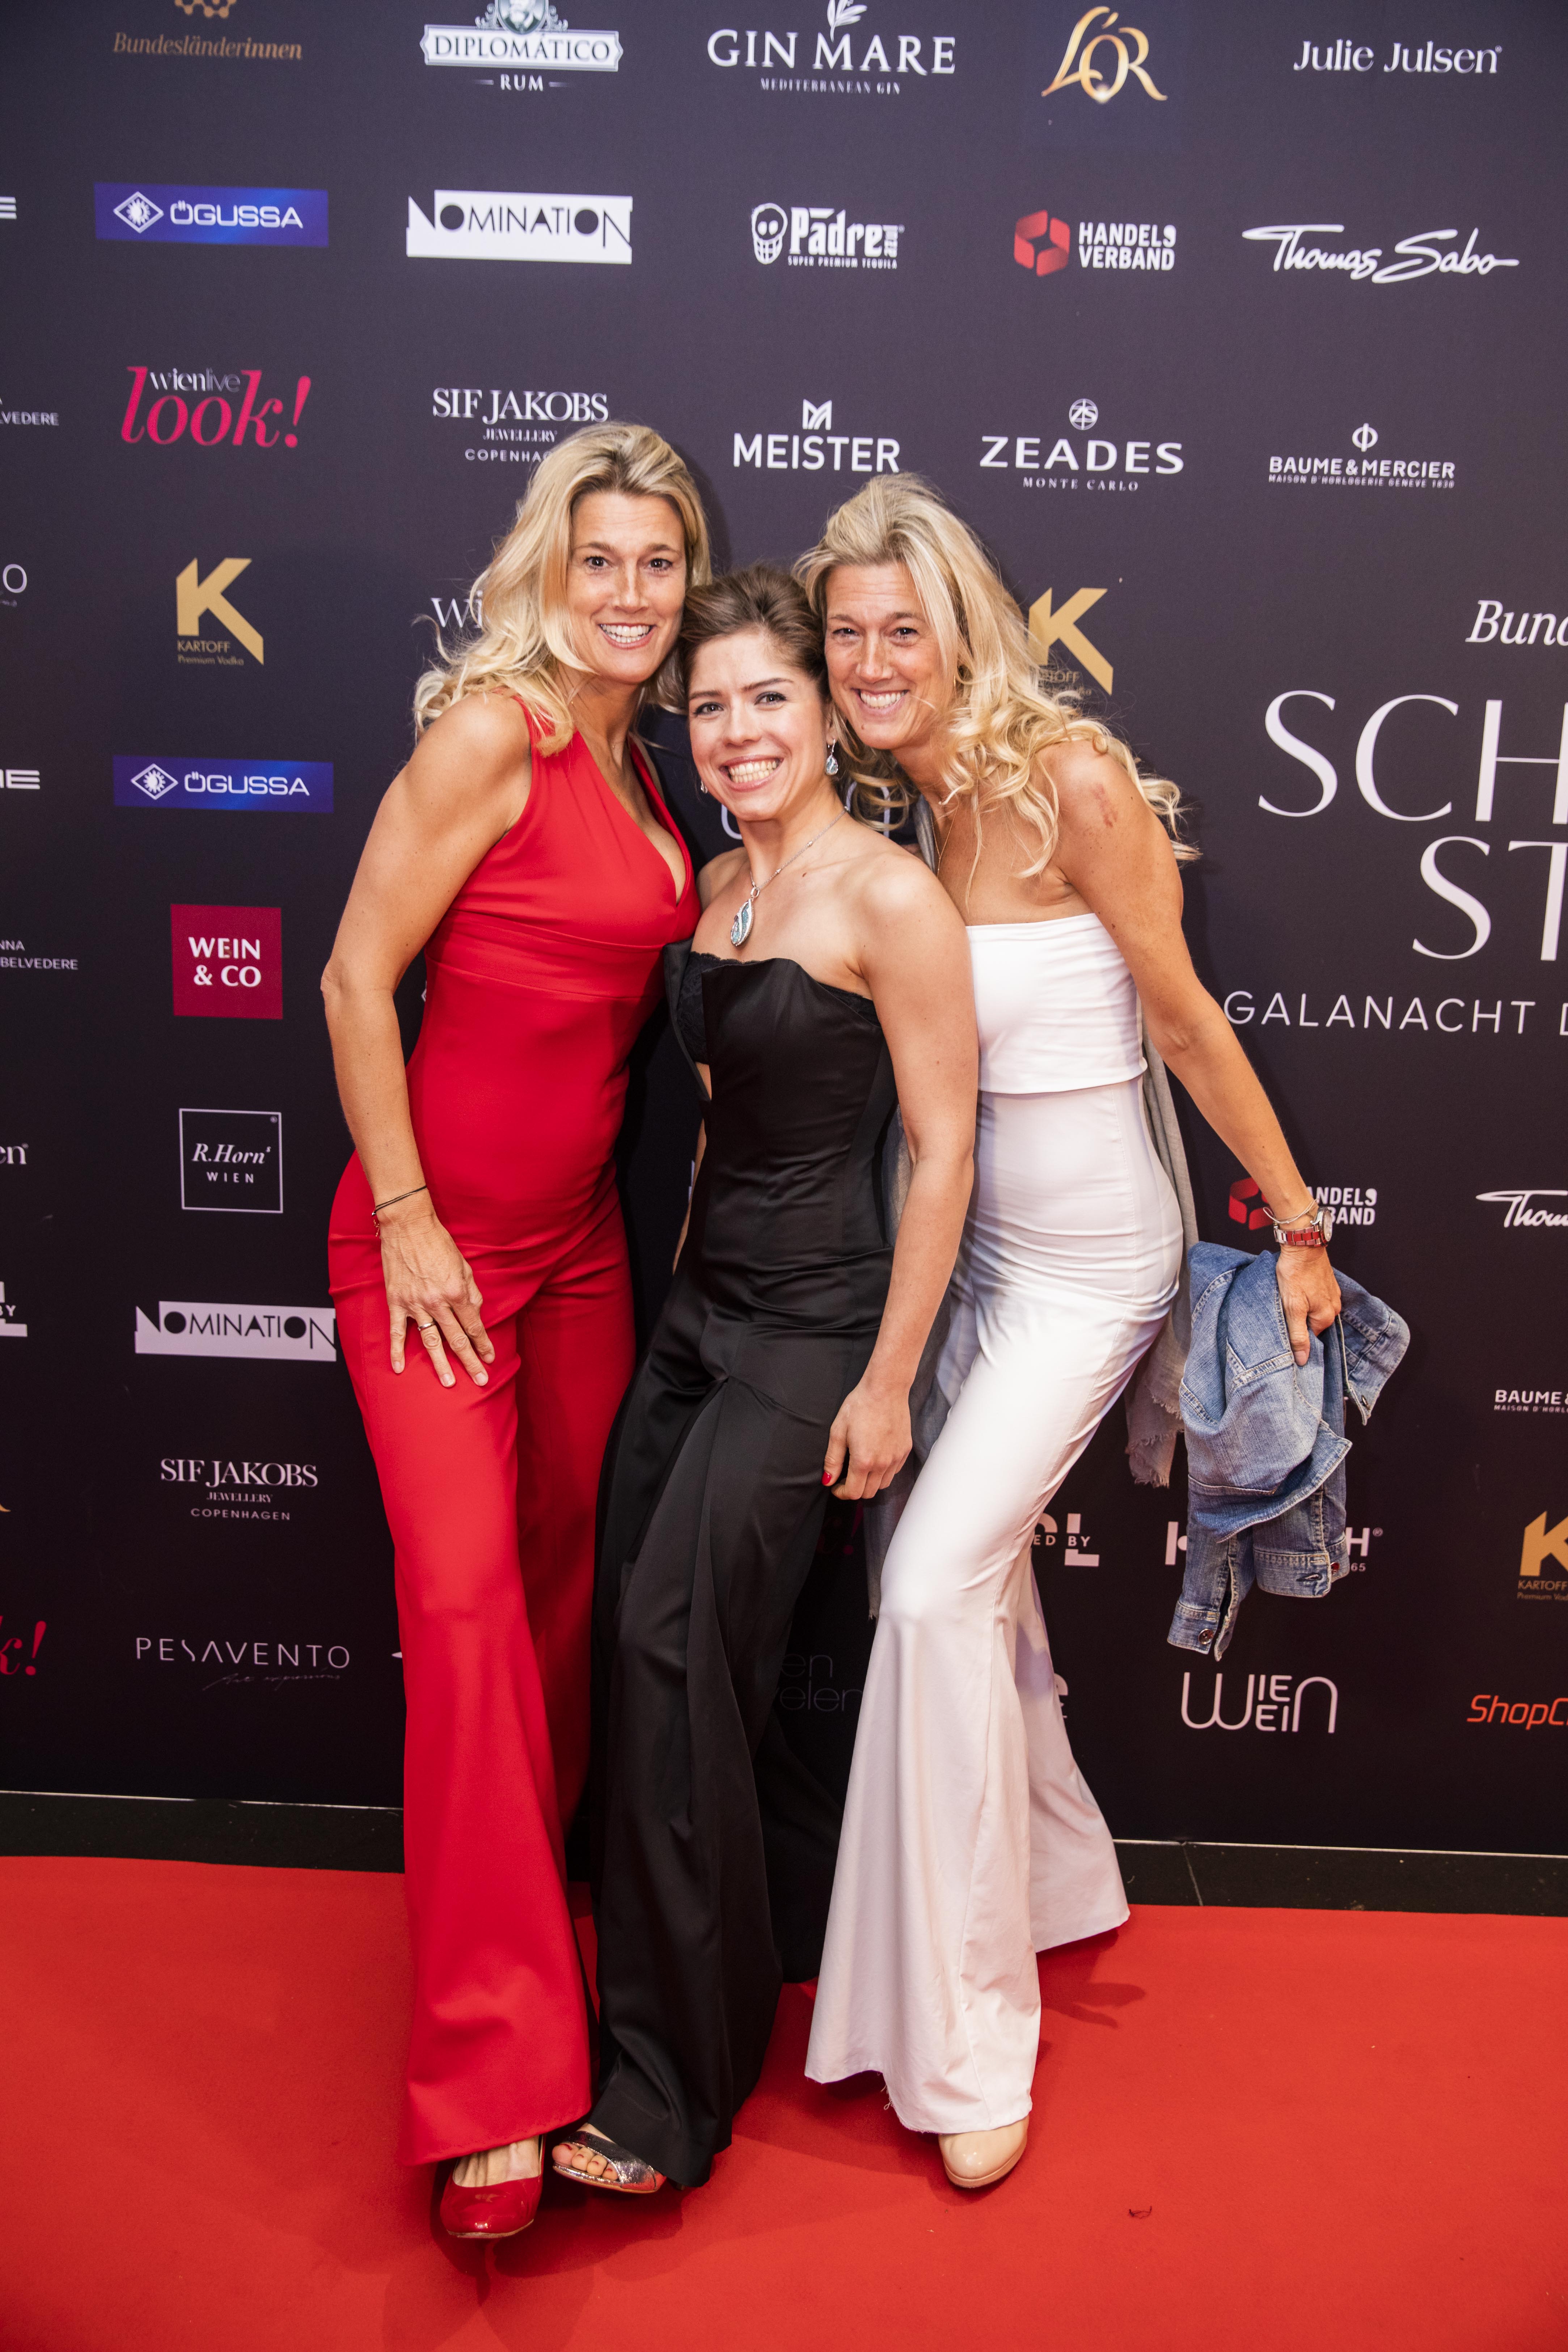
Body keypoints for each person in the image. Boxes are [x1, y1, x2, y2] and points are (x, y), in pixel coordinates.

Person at [800, 476, 1342, 2191]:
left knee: (928, 1587)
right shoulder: (893, 807)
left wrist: (1299, 1220)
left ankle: (970, 2038)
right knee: (981, 1588)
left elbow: (1183, 1021)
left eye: (903, 629)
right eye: (847, 635)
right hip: (965, 1255)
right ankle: (1054, 1877)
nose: (873, 662)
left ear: (962, 627)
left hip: (1094, 1266)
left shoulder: (1071, 782)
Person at [321, 423, 709, 2240]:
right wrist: (407, 1218)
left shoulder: (646, 765)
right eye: (599, 560)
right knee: (469, 1606)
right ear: (548, 570)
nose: (630, 594)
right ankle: (490, 2076)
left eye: (659, 564)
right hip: (435, 1253)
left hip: (578, 1257)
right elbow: (354, 974)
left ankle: (533, 1923)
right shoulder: (499, 734)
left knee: (566, 1597)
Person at [551, 566, 977, 2197]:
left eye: (767, 700)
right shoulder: (719, 882)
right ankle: (785, 1933)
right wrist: (676, 1296)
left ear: (824, 710)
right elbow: (724, 1119)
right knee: (649, 1650)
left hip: (816, 1334)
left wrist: (890, 1380)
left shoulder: (891, 898)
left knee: (672, 1652)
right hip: (698, 1317)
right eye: (710, 705)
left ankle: (669, 2090)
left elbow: (941, 1149)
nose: (736, 731)